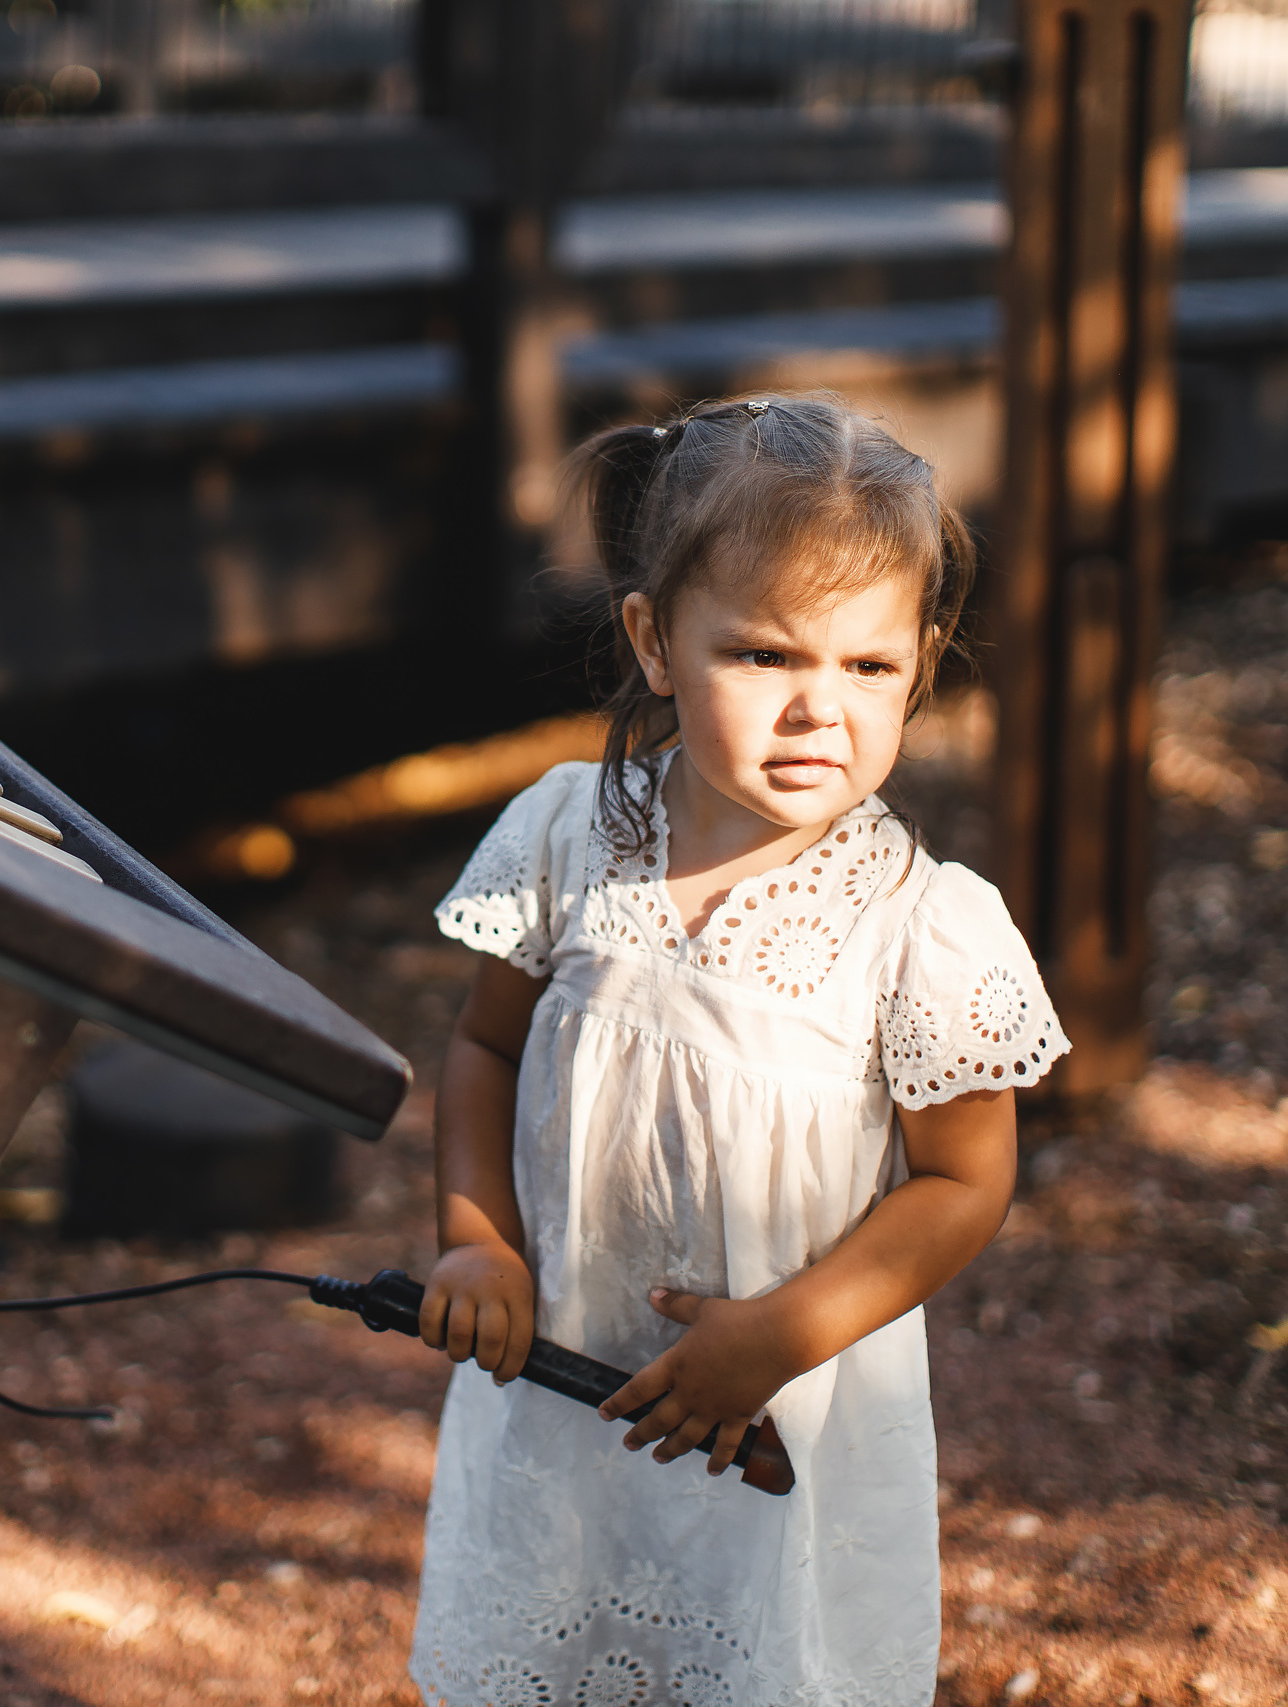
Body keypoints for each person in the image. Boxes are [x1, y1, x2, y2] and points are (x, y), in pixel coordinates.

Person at [409, 395, 1068, 1706]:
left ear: (921, 666)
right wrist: (477, 1237)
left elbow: (964, 1182)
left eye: (869, 667)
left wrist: (781, 1333)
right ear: (656, 640)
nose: (820, 708)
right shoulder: (564, 836)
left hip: (779, 1420)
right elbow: (484, 1048)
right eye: (767, 657)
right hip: (563, 1392)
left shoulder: (924, 928)